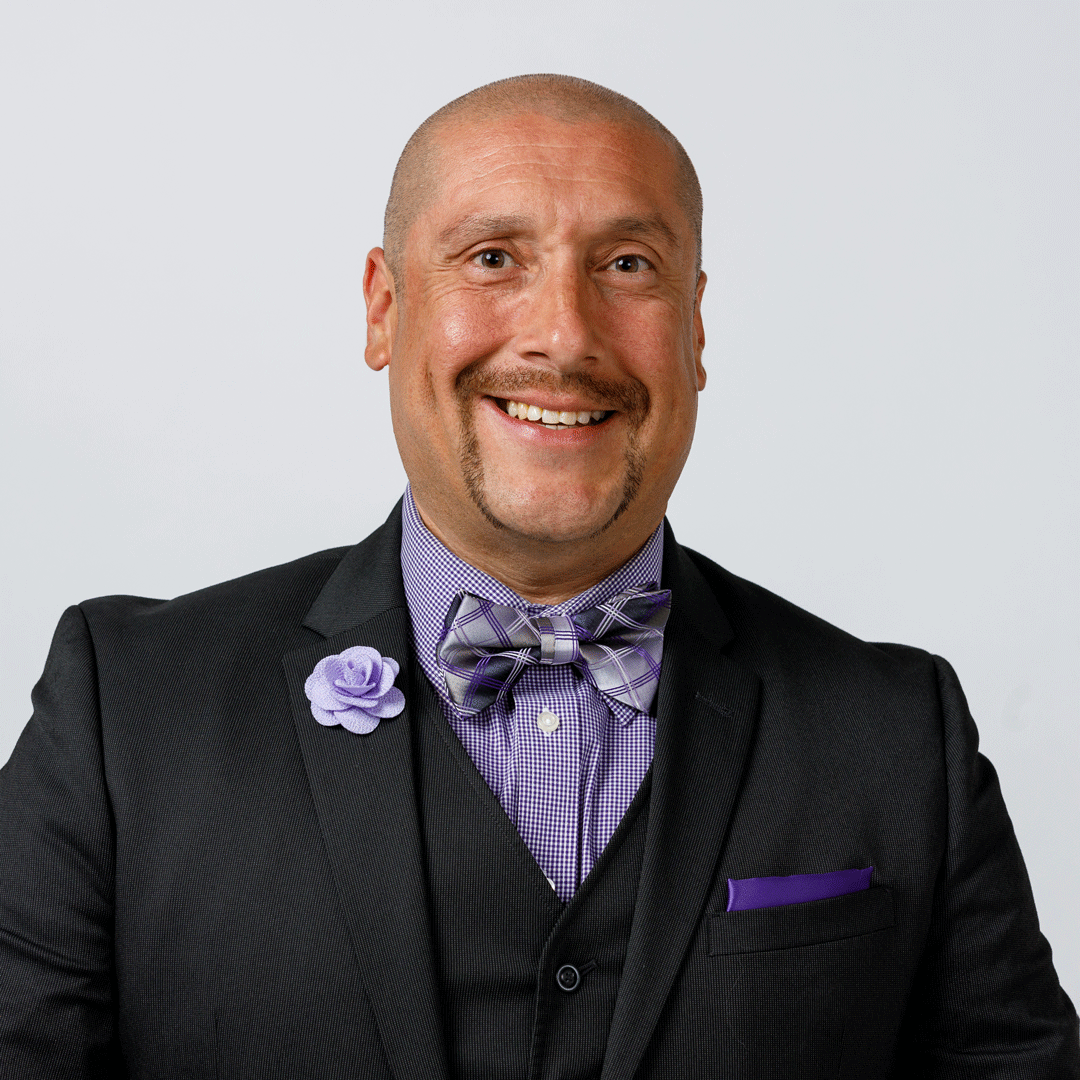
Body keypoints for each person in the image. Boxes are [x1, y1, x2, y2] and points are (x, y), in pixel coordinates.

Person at [1, 73, 1077, 1079]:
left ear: (696, 328)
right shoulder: (123, 710)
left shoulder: (899, 734)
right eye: (491, 258)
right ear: (383, 308)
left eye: (628, 265)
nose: (563, 336)